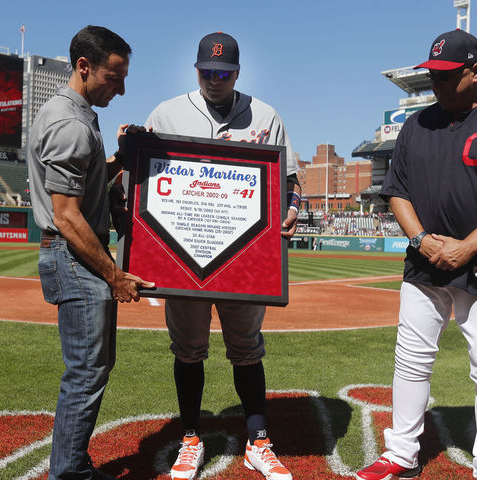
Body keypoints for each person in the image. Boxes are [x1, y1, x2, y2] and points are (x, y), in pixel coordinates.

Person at [356, 29, 477, 480]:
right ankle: (402, 454)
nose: (437, 82)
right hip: (423, 263)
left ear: (475, 71)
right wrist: (421, 240)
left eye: (449, 75)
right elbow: (396, 192)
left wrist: (467, 246)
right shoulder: (416, 124)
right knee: (411, 360)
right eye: (433, 74)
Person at [145, 32, 301, 480]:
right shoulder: (167, 112)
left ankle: (257, 440)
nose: (214, 79)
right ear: (195, 70)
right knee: (189, 350)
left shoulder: (265, 115)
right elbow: (143, 184)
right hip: (182, 256)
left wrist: (290, 210)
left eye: (224, 73)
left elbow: (289, 182)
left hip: (245, 258)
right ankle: (190, 438)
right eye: (206, 72)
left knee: (247, 350)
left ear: (237, 73)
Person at [27, 25, 154, 480]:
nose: (121, 89)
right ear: (84, 67)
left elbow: (88, 180)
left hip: (73, 254)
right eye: (114, 77)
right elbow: (67, 216)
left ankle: (72, 466)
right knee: (85, 372)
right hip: (75, 255)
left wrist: (120, 157)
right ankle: (68, 473)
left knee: (91, 369)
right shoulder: (70, 122)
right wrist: (113, 274)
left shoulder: (75, 114)